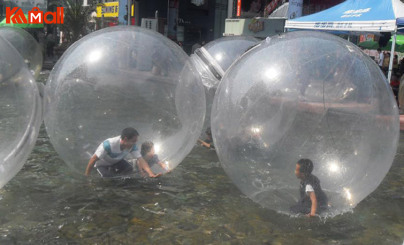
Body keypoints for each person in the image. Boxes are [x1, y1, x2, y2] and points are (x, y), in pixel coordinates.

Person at [85, 127, 159, 178]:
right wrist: (87, 177)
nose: (135, 143)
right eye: (133, 141)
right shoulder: (108, 145)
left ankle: (118, 178)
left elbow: (141, 160)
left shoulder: (132, 146)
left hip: (116, 162)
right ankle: (111, 177)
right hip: (102, 165)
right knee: (108, 178)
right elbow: (93, 159)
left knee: (129, 168)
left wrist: (151, 174)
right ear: (125, 139)